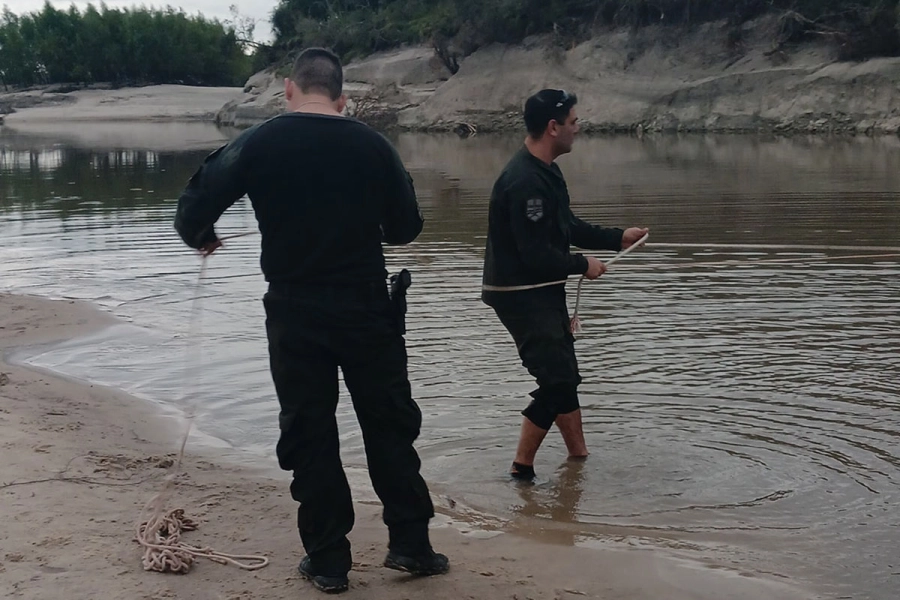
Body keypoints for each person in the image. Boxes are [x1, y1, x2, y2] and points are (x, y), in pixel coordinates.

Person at [174, 47, 449, 594]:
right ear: (343, 99)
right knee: (389, 422)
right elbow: (405, 228)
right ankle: (411, 546)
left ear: (289, 89)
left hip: (295, 308)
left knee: (310, 430)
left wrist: (202, 236)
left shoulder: (261, 141)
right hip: (366, 305)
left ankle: (327, 560)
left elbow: (194, 203)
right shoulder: (373, 145)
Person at [481, 88, 649, 481]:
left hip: (542, 289)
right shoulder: (524, 182)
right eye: (574, 122)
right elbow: (535, 255)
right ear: (553, 127)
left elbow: (566, 228)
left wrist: (616, 237)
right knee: (557, 380)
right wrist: (583, 264)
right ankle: (521, 469)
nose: (579, 129)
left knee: (565, 376)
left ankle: (578, 460)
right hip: (521, 295)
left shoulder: (546, 172)